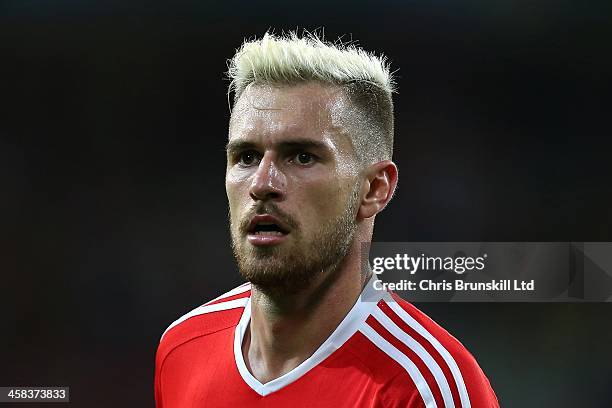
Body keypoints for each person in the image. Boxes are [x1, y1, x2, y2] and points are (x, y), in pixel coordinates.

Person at [154, 31, 499, 408]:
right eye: (246, 157)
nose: (262, 184)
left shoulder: (426, 388)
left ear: (374, 189)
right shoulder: (183, 349)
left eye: (302, 157)